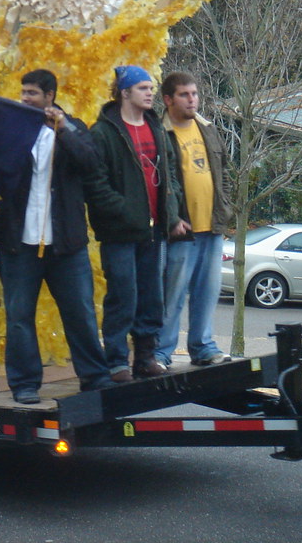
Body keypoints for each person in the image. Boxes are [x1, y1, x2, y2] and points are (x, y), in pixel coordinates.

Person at [0, 69, 113, 404]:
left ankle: (95, 376)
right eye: (23, 93)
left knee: (80, 313)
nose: (25, 99)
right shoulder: (13, 128)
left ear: (50, 96)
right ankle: (25, 384)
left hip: (66, 244)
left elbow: (90, 163)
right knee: (19, 318)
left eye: (32, 93)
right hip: (20, 243)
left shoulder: (74, 127)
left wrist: (62, 131)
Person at [86, 65, 182, 383]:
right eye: (143, 88)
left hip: (152, 230)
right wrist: (123, 211)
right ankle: (116, 361)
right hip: (119, 231)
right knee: (122, 295)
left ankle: (145, 357)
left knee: (151, 295)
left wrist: (173, 215)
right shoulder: (103, 133)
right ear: (124, 92)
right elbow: (96, 184)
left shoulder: (155, 127)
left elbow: (169, 175)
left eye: (151, 87)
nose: (150, 93)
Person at [156, 72, 234, 367]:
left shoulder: (208, 128)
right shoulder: (161, 133)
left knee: (207, 292)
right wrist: (171, 218)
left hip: (211, 228)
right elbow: (161, 181)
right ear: (168, 99)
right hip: (181, 230)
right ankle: (161, 352)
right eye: (184, 95)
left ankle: (203, 348)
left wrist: (224, 210)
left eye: (195, 94)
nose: (192, 100)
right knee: (173, 294)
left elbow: (224, 171)